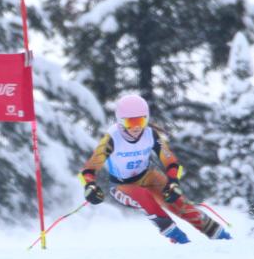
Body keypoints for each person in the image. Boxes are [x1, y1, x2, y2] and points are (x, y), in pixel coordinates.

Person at [80, 94, 233, 244]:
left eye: (140, 121)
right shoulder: (112, 138)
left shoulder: (151, 134)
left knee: (178, 202)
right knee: (143, 196)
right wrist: (90, 187)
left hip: (149, 176)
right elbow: (88, 170)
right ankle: (179, 239)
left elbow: (172, 162)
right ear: (120, 121)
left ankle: (222, 236)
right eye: (131, 122)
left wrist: (173, 182)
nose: (136, 127)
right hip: (122, 185)